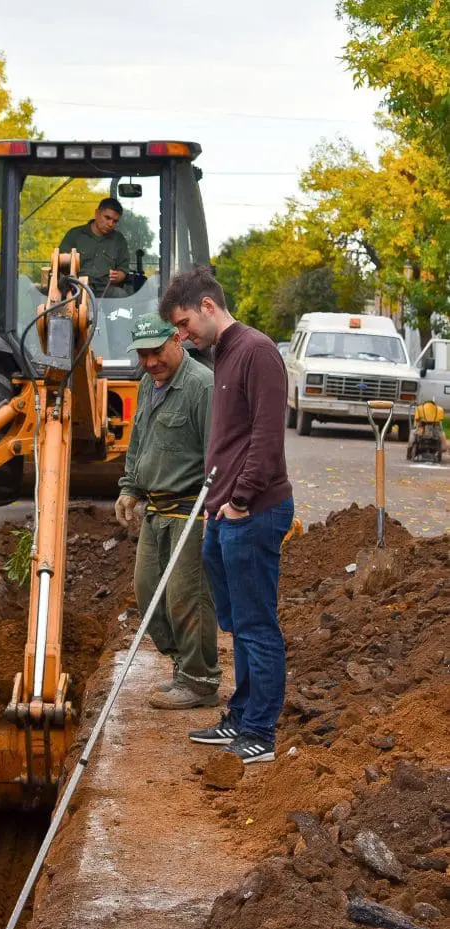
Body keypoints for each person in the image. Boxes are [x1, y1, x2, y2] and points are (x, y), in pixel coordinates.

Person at [160, 266, 294, 762]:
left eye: (183, 323)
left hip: (252, 512)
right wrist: (221, 505)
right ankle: (240, 717)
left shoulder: (257, 351)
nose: (181, 335)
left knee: (257, 624)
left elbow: (266, 437)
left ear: (208, 306)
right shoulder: (225, 352)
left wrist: (239, 501)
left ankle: (260, 733)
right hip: (225, 513)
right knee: (237, 623)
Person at [115, 313, 220, 709]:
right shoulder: (148, 384)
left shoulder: (201, 386)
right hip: (155, 510)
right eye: (142, 355)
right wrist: (129, 487)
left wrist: (216, 510)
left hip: (190, 511)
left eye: (157, 352)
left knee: (186, 597)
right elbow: (140, 439)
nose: (150, 362)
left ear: (177, 340)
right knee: (147, 592)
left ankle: (200, 681)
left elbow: (216, 452)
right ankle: (182, 665)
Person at [60, 198, 130, 297]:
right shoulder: (75, 235)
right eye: (107, 218)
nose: (110, 224)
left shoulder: (119, 240)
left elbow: (123, 269)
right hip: (76, 287)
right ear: (97, 213)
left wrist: (118, 276)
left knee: (120, 294)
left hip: (105, 289)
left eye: (115, 221)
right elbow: (60, 264)